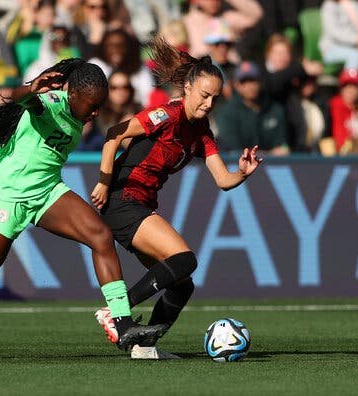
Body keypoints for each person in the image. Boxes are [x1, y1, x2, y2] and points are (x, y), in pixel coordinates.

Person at [0, 58, 166, 358]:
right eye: (91, 104)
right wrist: (31, 88)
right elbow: (23, 100)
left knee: (100, 236)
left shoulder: (81, 112)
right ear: (72, 95)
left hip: (46, 191)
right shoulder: (52, 102)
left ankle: (121, 322)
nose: (95, 112)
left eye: (100, 104)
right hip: (9, 195)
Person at [90, 37, 263, 359]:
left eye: (214, 98)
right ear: (187, 88)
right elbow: (115, 134)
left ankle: (144, 348)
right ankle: (117, 311)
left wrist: (243, 173)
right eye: (204, 95)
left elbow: (223, 181)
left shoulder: (201, 133)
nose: (209, 104)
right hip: (122, 199)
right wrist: (103, 181)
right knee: (185, 260)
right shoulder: (166, 116)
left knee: (182, 283)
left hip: (138, 205)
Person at [215, 61, 290, 155]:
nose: (250, 86)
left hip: (274, 166)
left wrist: (272, 153)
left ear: (260, 82)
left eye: (253, 80)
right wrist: (270, 153)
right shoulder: (226, 113)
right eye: (244, 82)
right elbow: (233, 151)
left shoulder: (275, 109)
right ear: (237, 85)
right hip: (237, 167)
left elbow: (282, 148)